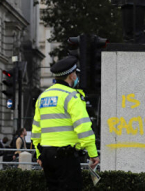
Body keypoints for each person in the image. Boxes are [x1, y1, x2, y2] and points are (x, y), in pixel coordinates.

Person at [33, 56, 99, 190]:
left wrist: (38, 154)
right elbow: (84, 127)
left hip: (47, 155)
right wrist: (93, 153)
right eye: (76, 74)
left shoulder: (43, 96)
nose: (76, 77)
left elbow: (36, 129)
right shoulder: (72, 96)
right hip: (66, 157)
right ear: (71, 76)